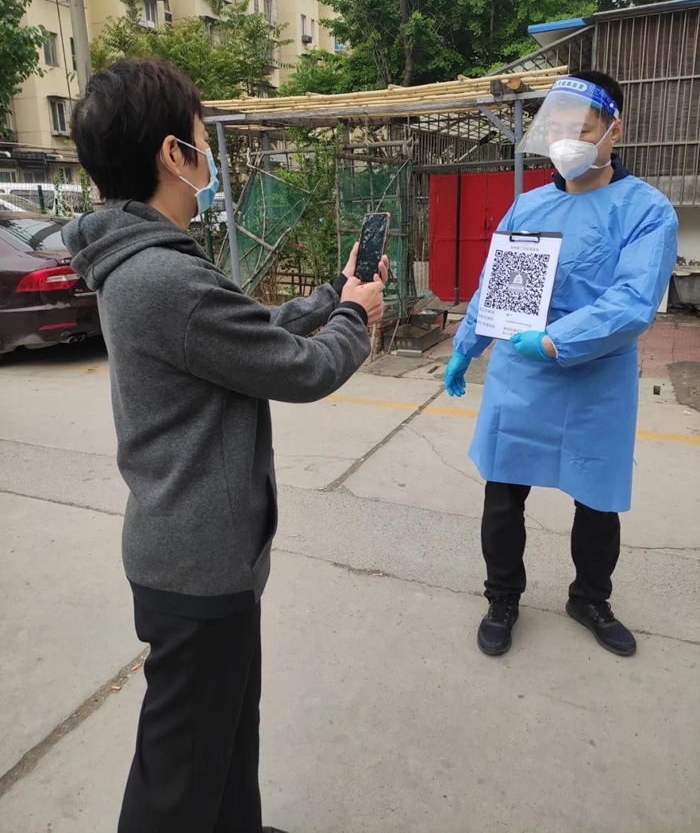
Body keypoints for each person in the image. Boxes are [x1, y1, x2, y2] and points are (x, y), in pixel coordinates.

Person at [63, 57, 388, 833]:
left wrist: (329, 296)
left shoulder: (149, 263)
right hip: (197, 565)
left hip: (204, 556)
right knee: (176, 777)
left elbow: (238, 332)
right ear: (172, 154)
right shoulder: (161, 277)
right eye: (202, 142)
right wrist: (355, 319)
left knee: (230, 730)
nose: (209, 161)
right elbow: (300, 370)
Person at [444, 71, 677, 658]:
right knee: (503, 495)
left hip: (596, 379)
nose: (567, 141)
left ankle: (590, 598)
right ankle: (502, 597)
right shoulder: (529, 206)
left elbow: (632, 301)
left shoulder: (645, 211)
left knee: (597, 499)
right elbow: (497, 288)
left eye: (583, 129)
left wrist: (553, 341)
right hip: (520, 380)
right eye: (558, 129)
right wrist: (467, 345)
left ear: (615, 130)